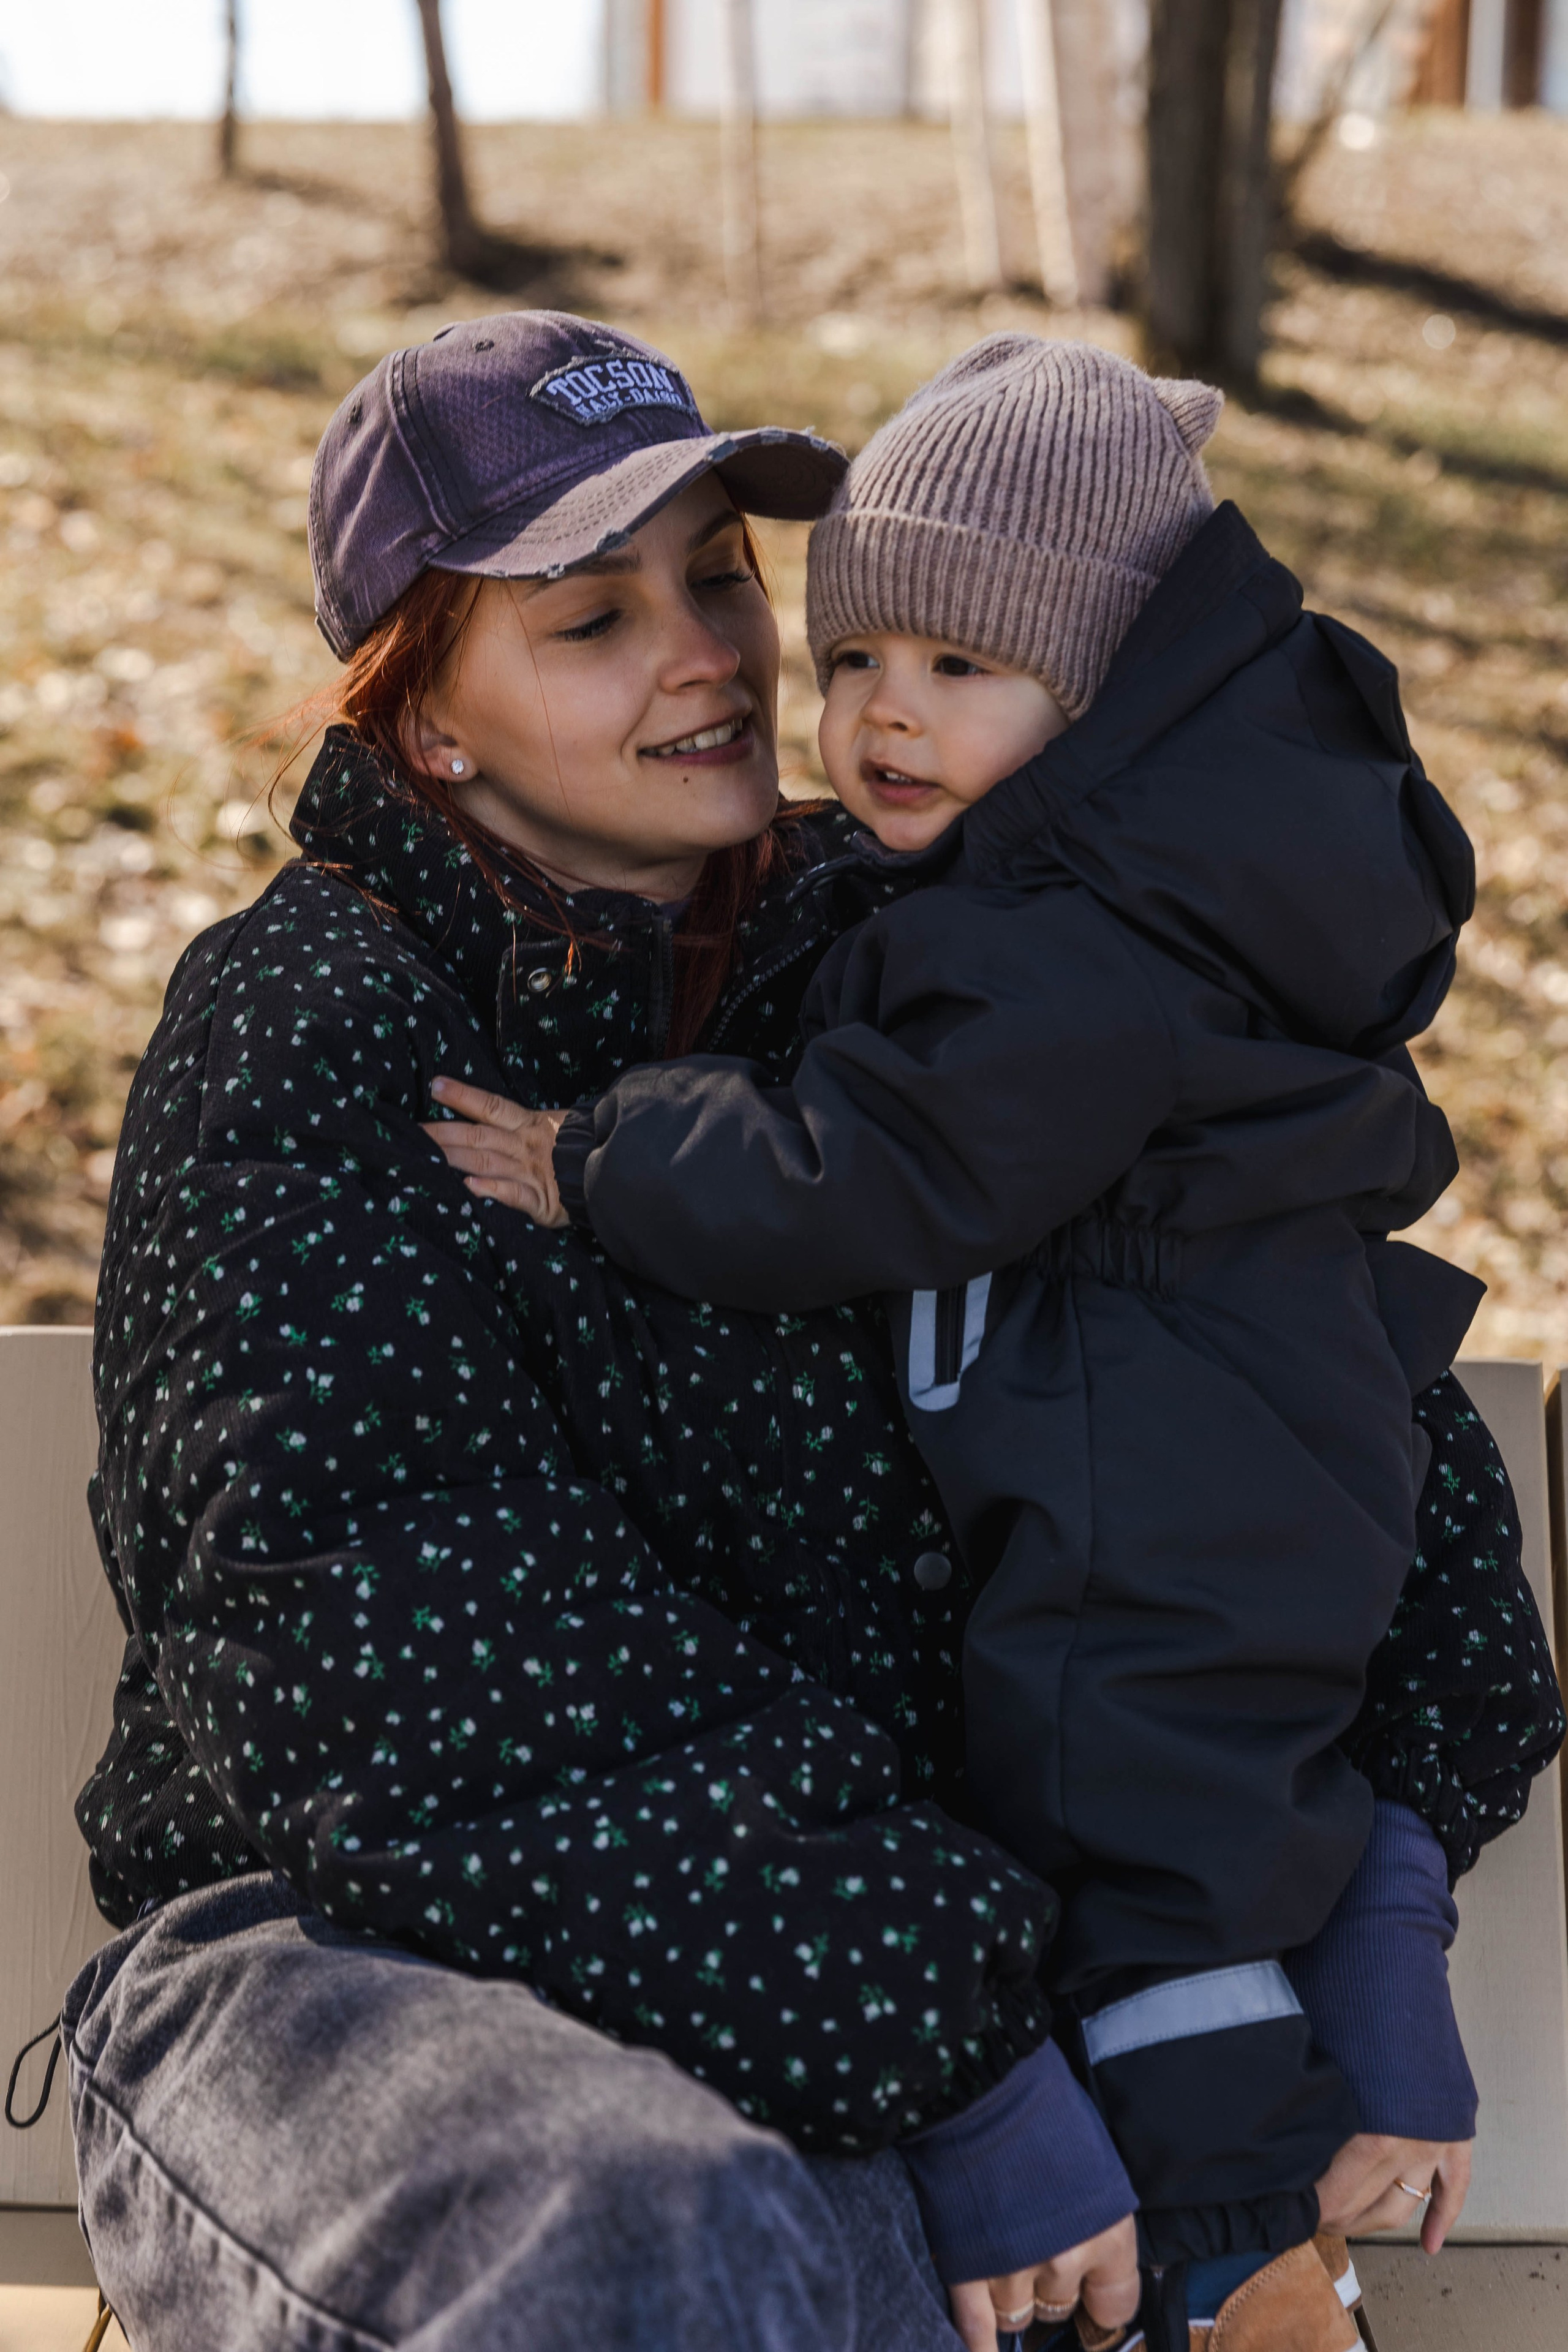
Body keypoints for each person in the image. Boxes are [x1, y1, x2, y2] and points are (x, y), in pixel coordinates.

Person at [62, 315, 1562, 2352]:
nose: (711, 656)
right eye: (592, 618)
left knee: (959, 2283)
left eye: (719, 577)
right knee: (646, 2248)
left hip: (868, 1986)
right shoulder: (319, 1025)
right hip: (360, 1958)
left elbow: (1301, 1391)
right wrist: (949, 2045)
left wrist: (1385, 1868)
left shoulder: (929, 951)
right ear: (429, 719)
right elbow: (394, 1634)